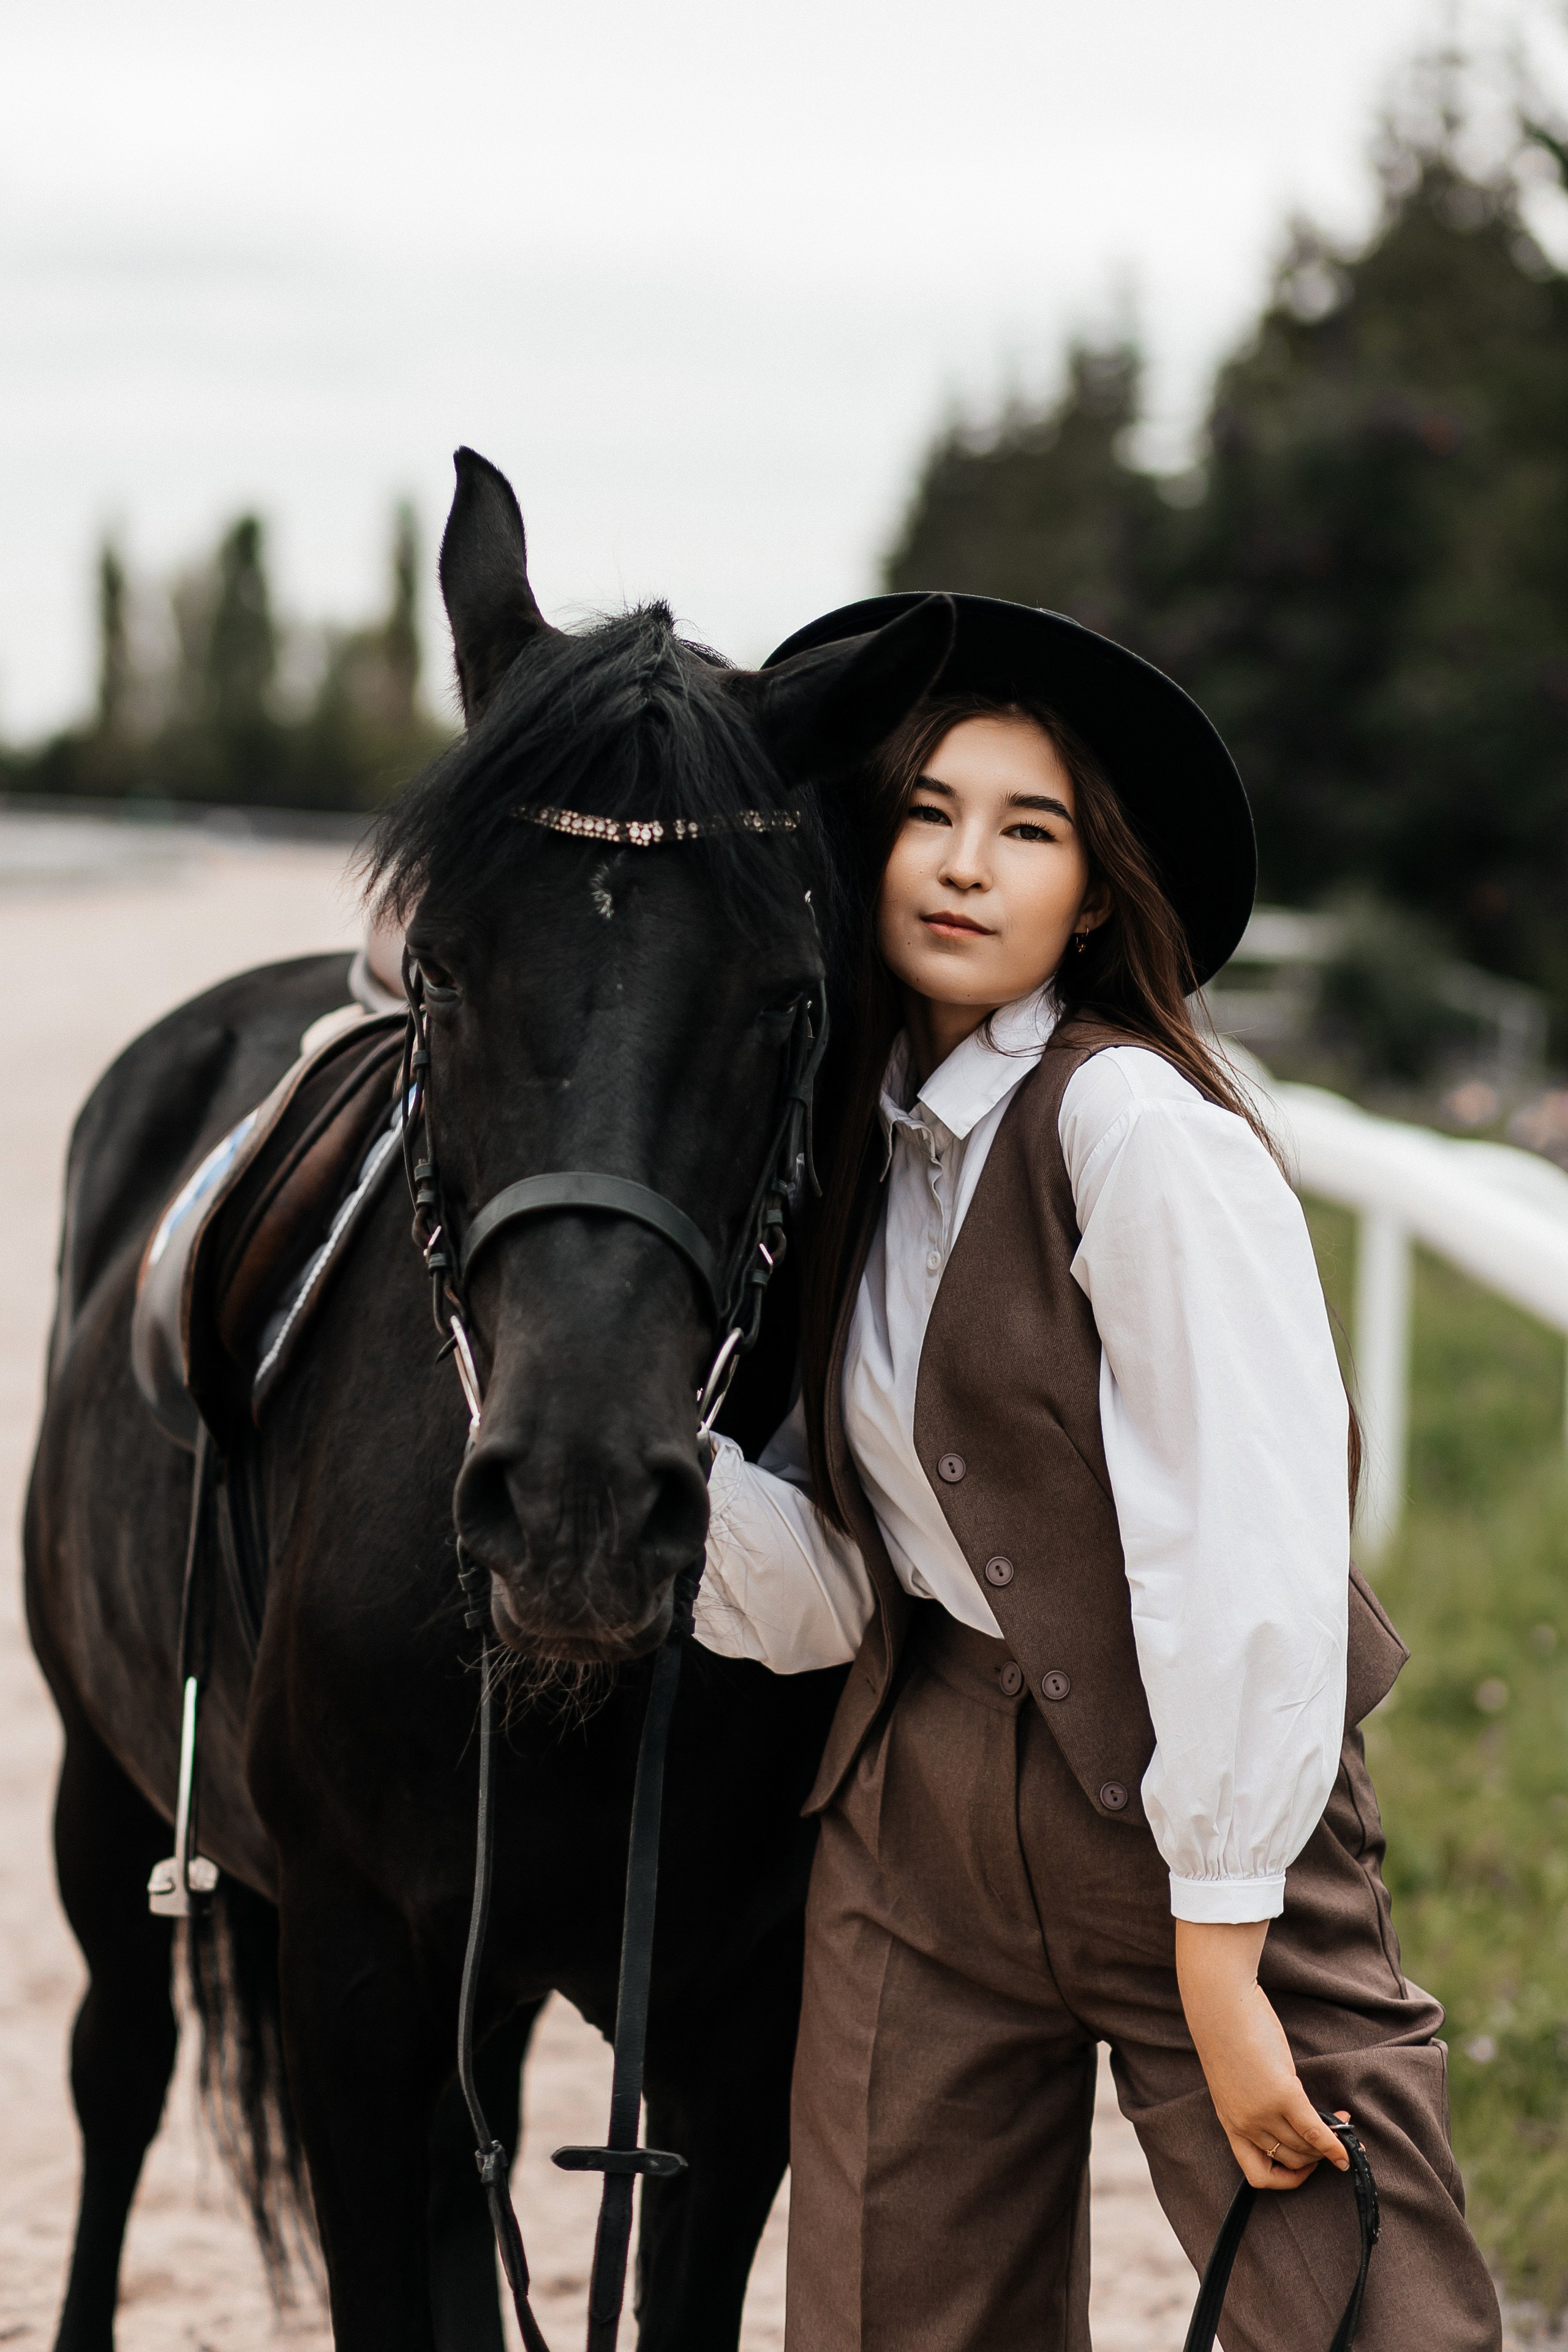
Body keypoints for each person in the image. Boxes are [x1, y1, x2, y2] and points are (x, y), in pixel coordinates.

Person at [693, 594, 1500, 2351]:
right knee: (888, 2323)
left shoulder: (1132, 1127)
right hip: (914, 1813)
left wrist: (1222, 1932)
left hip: (1194, 1808)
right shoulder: (849, 1153)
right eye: (927, 813)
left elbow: (1254, 1545)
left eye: (1028, 829)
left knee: (1363, 2318)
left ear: (1094, 892)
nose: (963, 865)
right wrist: (642, 1466)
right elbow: (841, 1589)